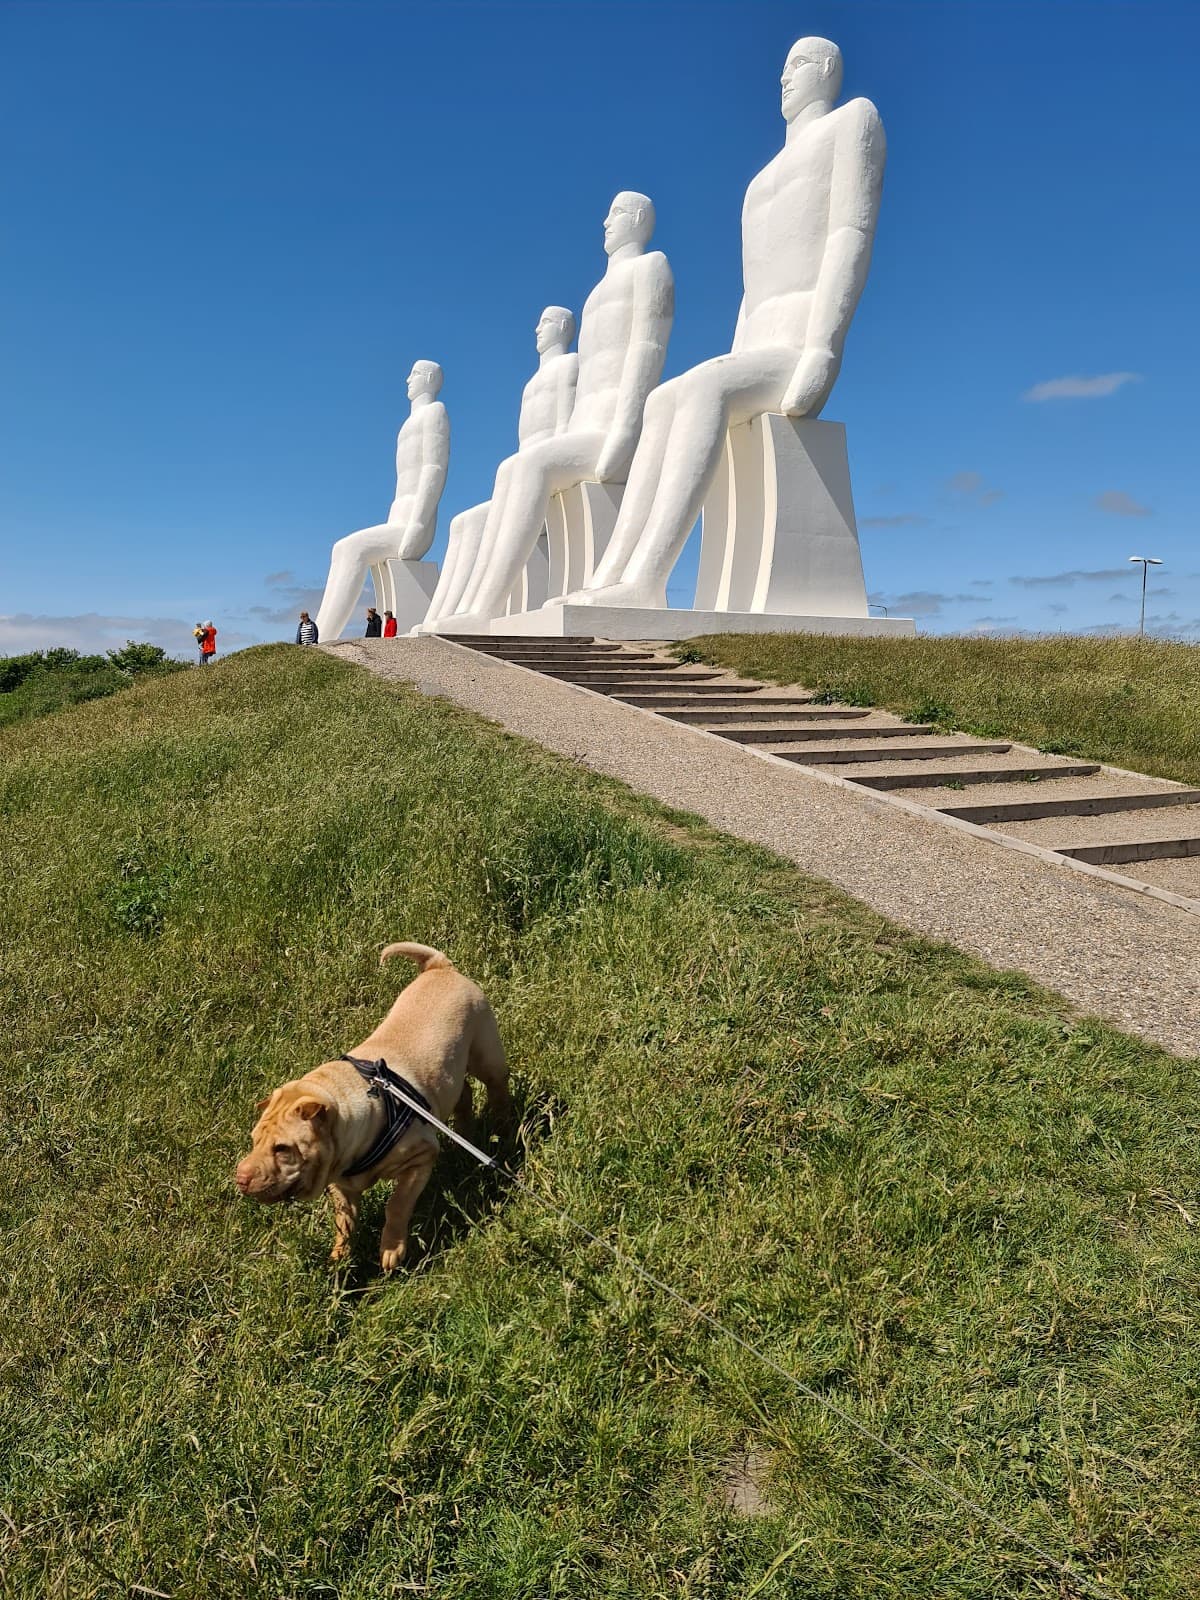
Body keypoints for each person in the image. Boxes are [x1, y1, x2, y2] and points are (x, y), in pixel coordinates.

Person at [569, 38, 884, 610]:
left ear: (828, 69)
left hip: (797, 341)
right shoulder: (758, 183)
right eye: (782, 67)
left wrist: (824, 348)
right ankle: (614, 574)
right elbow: (749, 290)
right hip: (756, 345)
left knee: (702, 388)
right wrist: (734, 356)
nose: (784, 77)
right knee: (664, 400)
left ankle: (649, 576)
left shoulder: (852, 122)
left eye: (797, 64)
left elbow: (850, 236)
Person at [446, 193, 673, 629]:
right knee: (510, 470)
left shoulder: (650, 266)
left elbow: (648, 349)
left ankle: (485, 608)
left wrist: (626, 431)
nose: (605, 222)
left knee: (527, 465)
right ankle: (475, 606)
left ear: (638, 218)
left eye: (616, 213)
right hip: (583, 429)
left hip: (609, 430)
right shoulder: (595, 296)